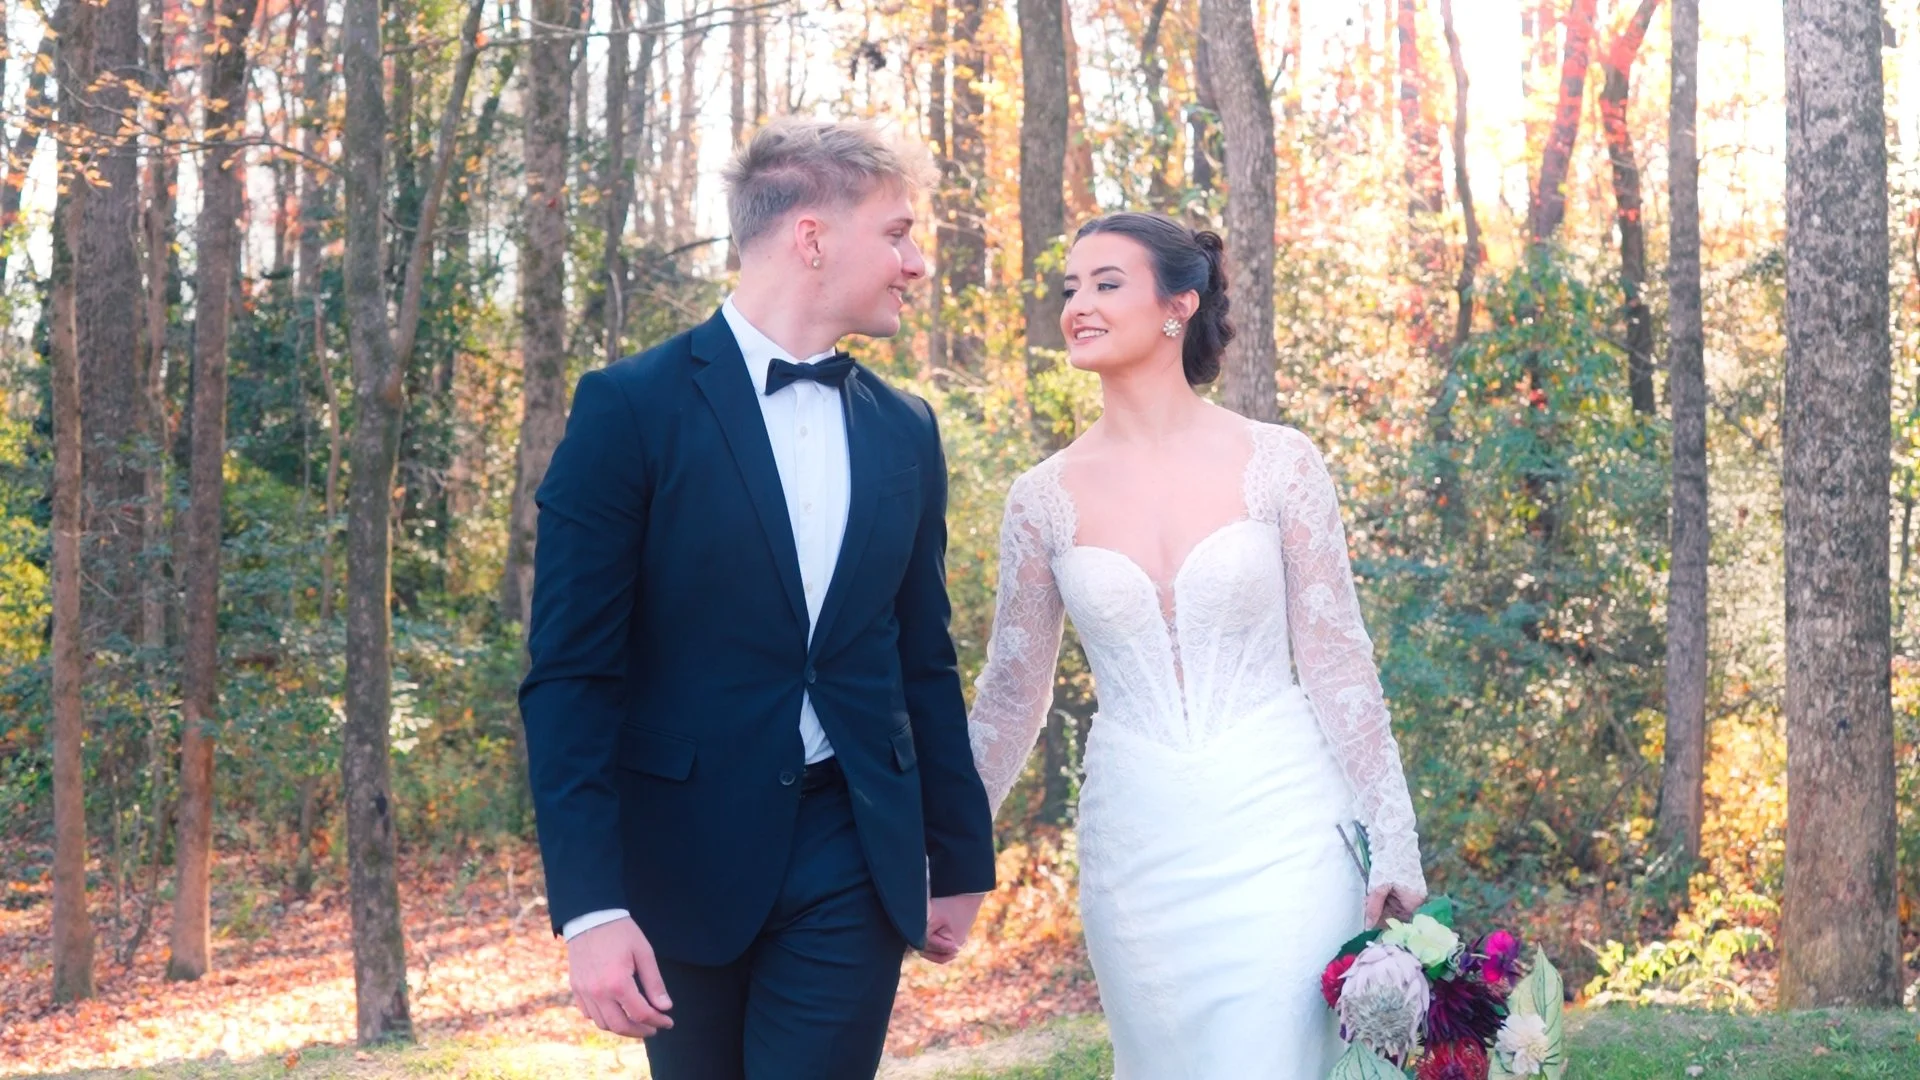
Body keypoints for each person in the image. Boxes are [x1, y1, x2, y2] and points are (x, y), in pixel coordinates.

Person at [518, 117, 996, 1080]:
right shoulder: (629, 409)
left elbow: (922, 656)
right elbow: (571, 676)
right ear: (812, 237)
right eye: (898, 233)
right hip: (681, 861)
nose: (919, 263)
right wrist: (591, 908)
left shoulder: (906, 430)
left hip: (852, 852)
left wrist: (960, 853)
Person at [966, 211, 1428, 1077]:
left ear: (1179, 305)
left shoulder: (1281, 462)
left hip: (1282, 822)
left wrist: (1392, 834)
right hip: (1139, 841)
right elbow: (1010, 694)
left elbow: (1337, 661)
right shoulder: (1041, 497)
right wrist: (946, 848)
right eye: (1072, 288)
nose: (1079, 306)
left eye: (1107, 284)